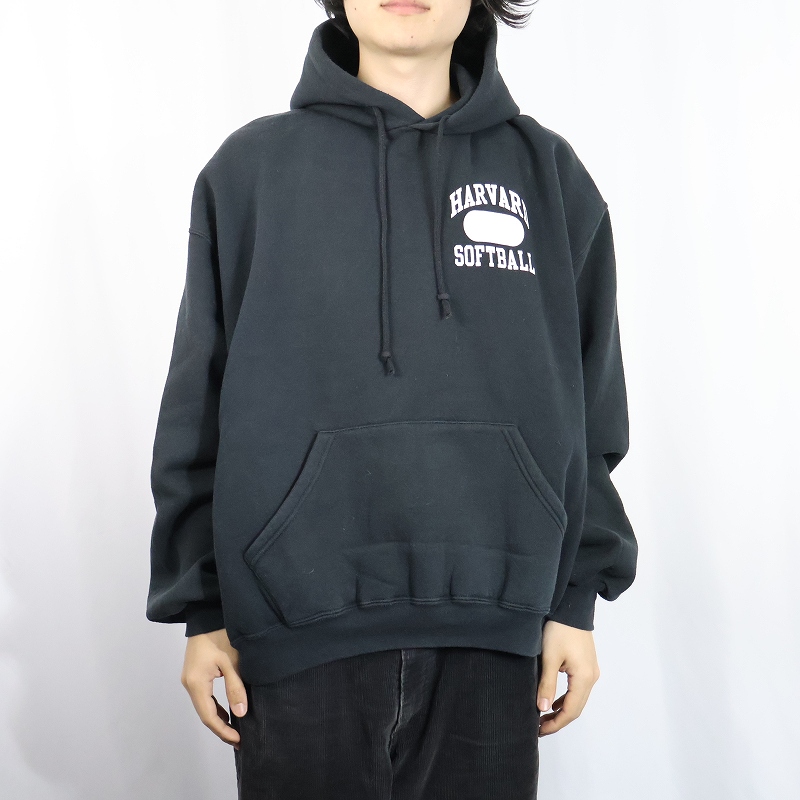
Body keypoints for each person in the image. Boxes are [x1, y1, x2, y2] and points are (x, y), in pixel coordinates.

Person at [146, 0, 638, 797]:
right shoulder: (250, 173)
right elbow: (196, 405)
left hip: (496, 629)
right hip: (294, 631)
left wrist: (576, 599)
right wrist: (200, 608)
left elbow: (594, 403)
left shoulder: (550, 176)